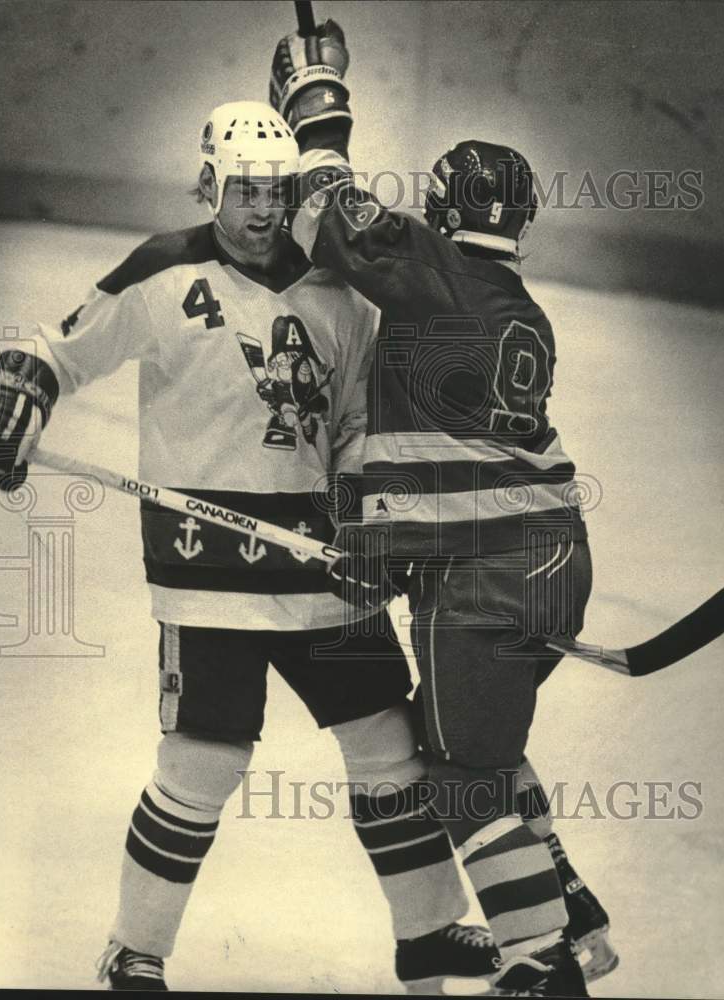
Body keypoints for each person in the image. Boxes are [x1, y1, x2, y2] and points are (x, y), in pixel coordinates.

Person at [0, 101, 503, 993]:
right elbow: (60, 349)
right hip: (203, 569)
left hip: (328, 564)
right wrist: (18, 393)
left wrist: (372, 512)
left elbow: (364, 422)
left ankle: (431, 931)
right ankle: (135, 952)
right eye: (245, 189)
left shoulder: (339, 292)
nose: (260, 208)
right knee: (203, 763)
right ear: (210, 183)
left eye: (277, 191)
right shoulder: (165, 270)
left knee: (388, 746)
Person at [268, 20, 617, 997]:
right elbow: (447, 454)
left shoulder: (433, 272)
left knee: (459, 775)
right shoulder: (516, 306)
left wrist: (316, 97)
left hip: (492, 573)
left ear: (431, 209)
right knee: (468, 744)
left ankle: (540, 961)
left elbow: (332, 215)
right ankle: (568, 904)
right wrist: (380, 551)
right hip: (550, 560)